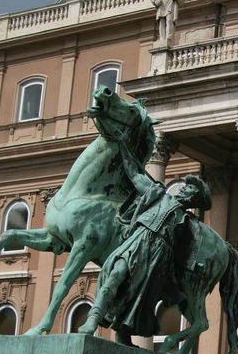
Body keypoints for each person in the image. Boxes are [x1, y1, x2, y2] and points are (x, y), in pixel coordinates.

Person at [78, 147, 211, 343]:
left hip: (159, 256)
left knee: (137, 295)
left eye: (189, 188)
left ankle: (123, 334)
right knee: (115, 274)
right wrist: (124, 148)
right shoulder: (158, 194)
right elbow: (135, 175)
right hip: (139, 240)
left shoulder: (187, 223)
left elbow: (186, 255)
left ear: (193, 198)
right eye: (185, 186)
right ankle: (93, 320)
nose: (184, 188)